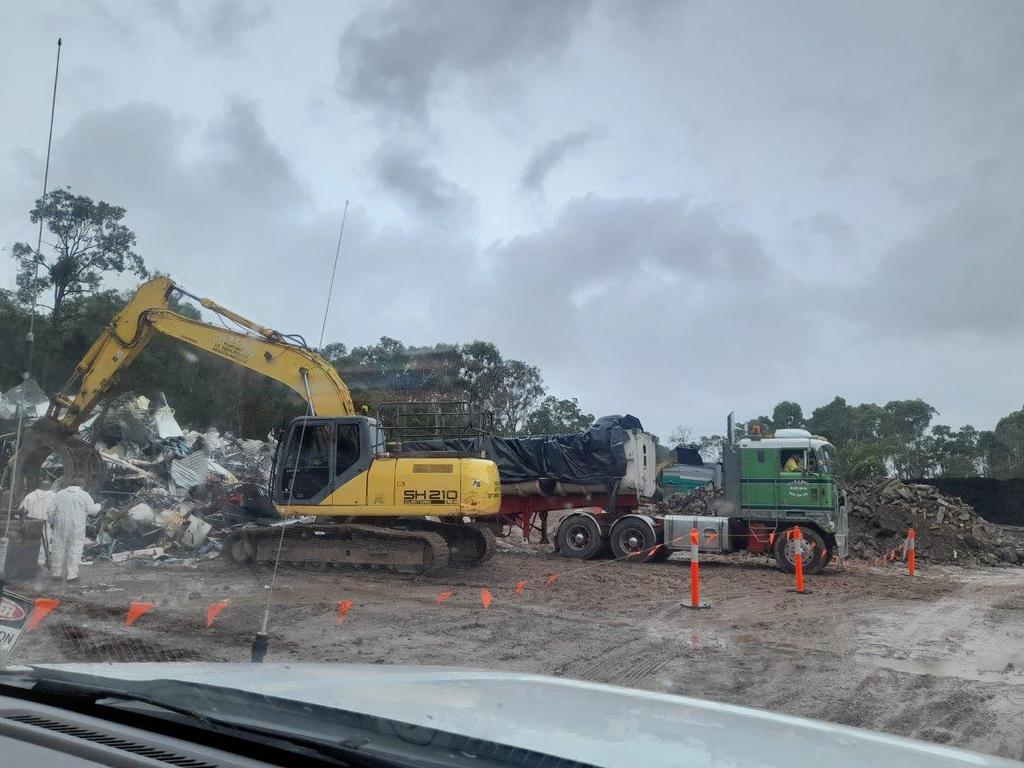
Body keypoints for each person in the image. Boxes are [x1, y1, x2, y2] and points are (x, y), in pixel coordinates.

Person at [49, 480, 100, 583]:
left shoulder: (60, 494)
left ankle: (56, 574)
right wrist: (99, 505)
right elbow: (92, 511)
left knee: (58, 548)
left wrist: (51, 522)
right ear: (82, 485)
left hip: (60, 522)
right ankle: (72, 576)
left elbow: (50, 510)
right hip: (77, 524)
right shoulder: (84, 495)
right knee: (75, 548)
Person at [19, 480, 56, 567]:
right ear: (50, 487)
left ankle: (33, 560)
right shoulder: (54, 496)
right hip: (46, 522)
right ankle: (42, 560)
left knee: (33, 541)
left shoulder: (30, 496)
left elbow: (21, 509)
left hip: (32, 521)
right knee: (46, 541)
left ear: (40, 486)